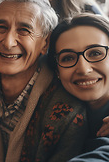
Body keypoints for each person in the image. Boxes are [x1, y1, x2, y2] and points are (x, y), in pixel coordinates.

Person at [0, 0, 88, 162]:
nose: (8, 43)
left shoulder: (68, 114)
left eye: (24, 30)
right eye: (1, 27)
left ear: (45, 44)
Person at [47, 13, 109, 161]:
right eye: (68, 58)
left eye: (95, 53)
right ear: (57, 72)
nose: (83, 69)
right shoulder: (53, 112)